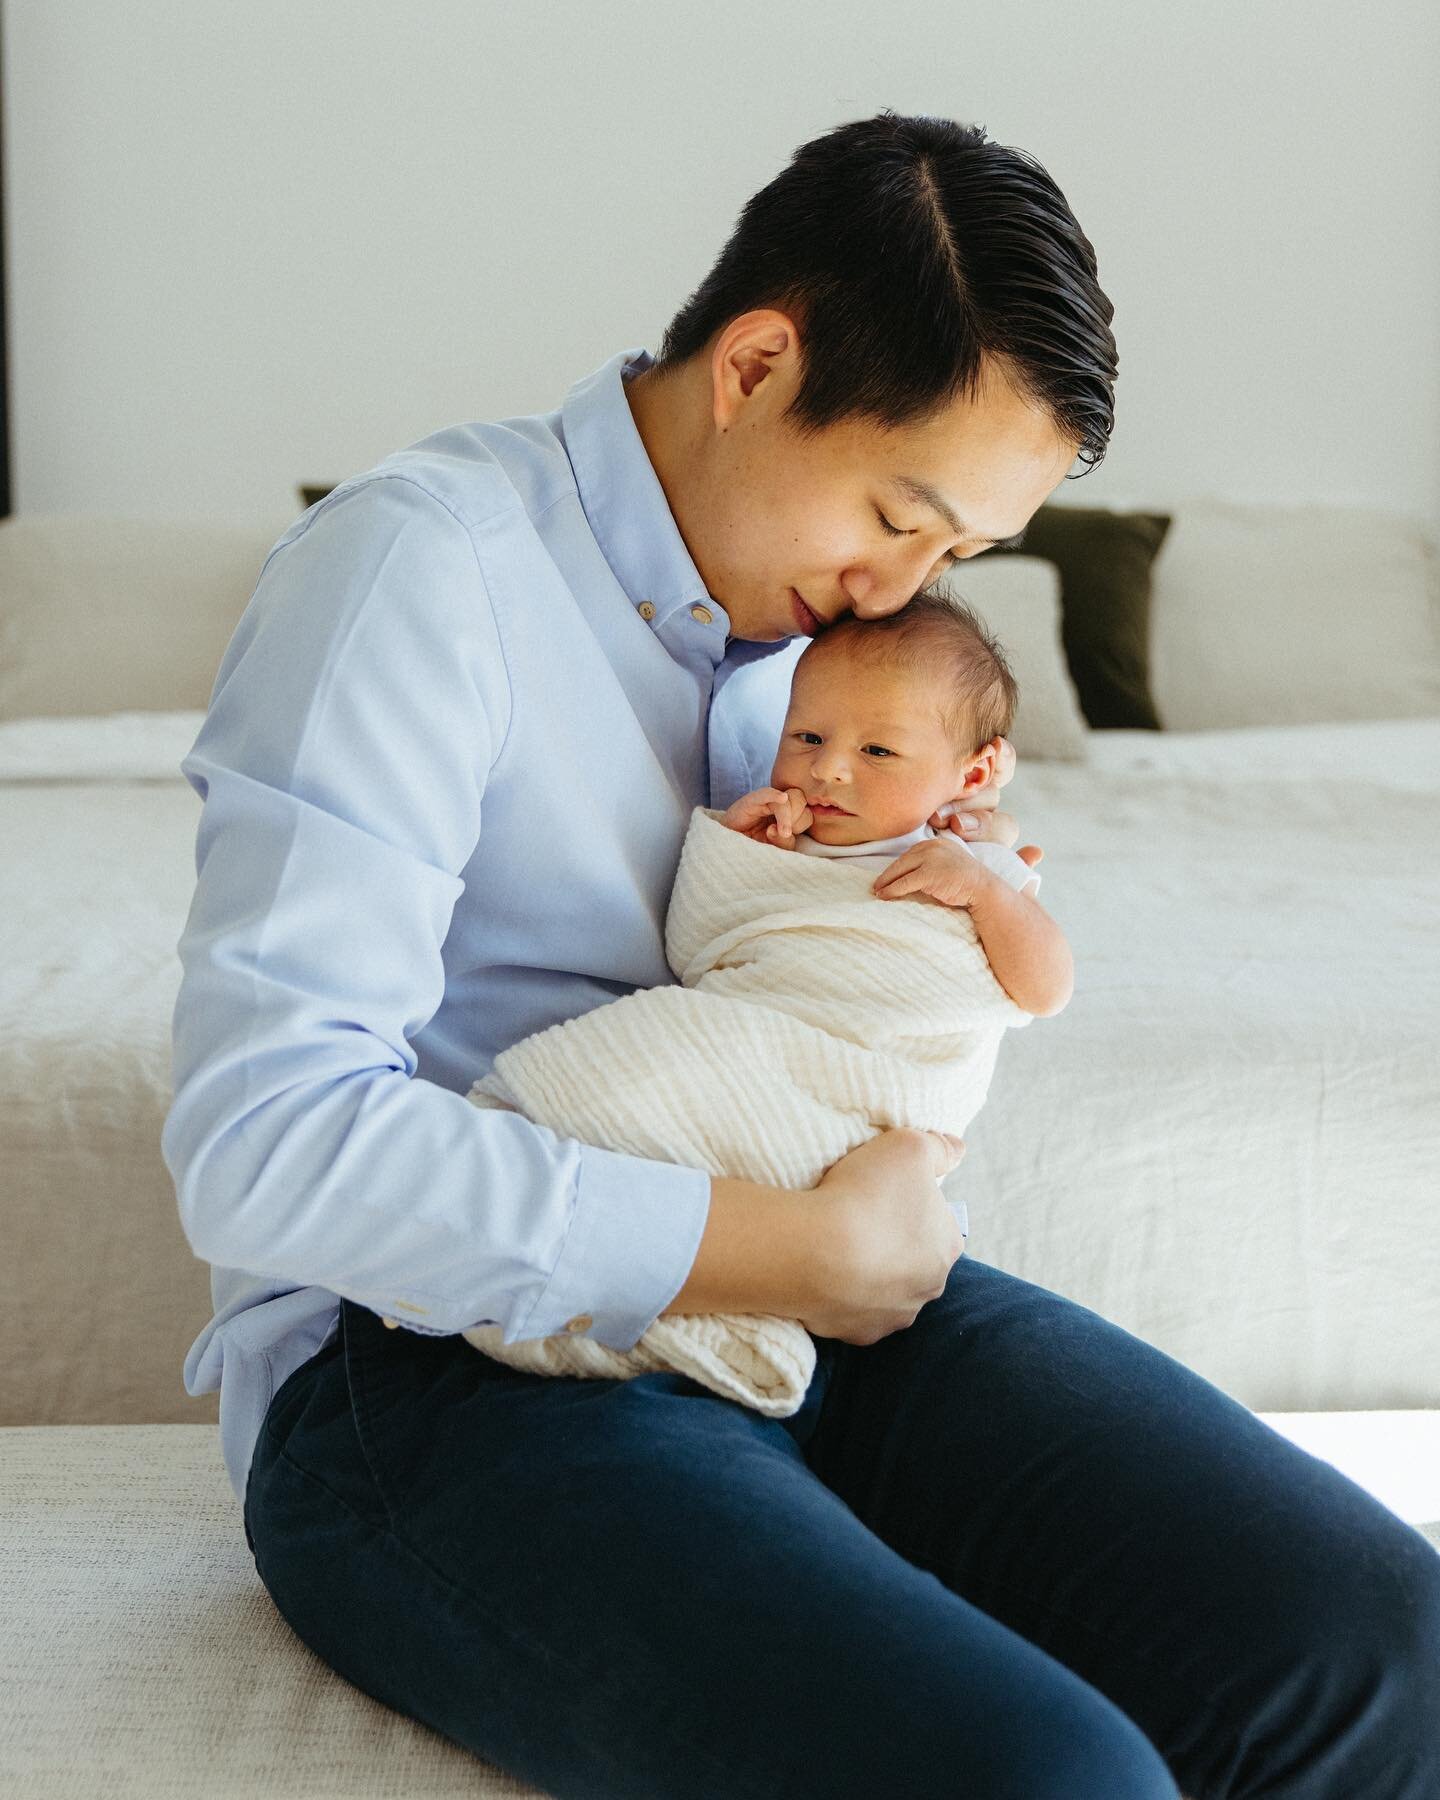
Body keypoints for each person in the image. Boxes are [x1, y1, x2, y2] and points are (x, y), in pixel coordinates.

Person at [163, 112, 1439, 1798]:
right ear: (756, 364)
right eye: (897, 516)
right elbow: (265, 1148)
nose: (896, 595)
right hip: (442, 1364)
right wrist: (787, 1249)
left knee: (1386, 1651)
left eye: (957, 559)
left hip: (839, 1297)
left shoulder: (826, 655)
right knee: (1040, 1776)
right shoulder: (420, 572)